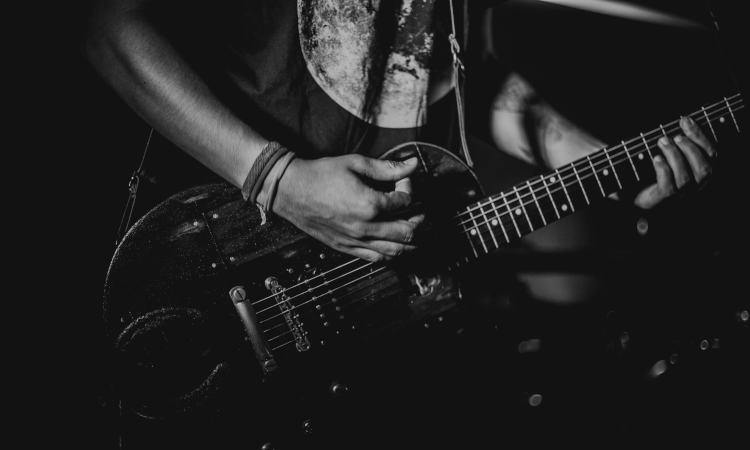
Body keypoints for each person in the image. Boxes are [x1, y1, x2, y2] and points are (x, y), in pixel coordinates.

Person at [85, 1, 718, 448]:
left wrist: (597, 160)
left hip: (374, 325)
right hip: (222, 262)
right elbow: (106, 22)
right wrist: (276, 179)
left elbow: (464, 88)